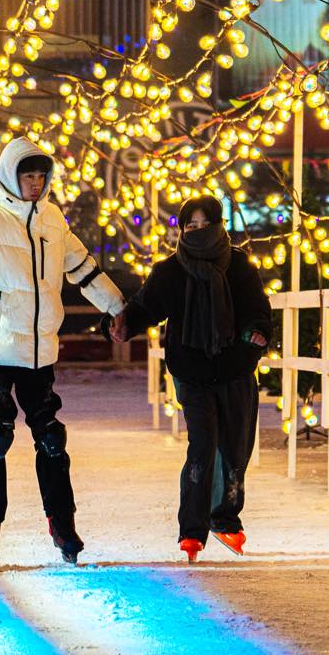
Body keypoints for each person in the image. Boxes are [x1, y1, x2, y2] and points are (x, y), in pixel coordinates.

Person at [0, 136, 125, 567]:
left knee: (51, 437)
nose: (35, 183)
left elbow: (83, 268)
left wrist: (117, 308)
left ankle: (63, 523)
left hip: (39, 349)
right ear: (10, 174)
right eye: (27, 174)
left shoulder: (52, 220)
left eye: (41, 175)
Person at [110, 196, 271, 561]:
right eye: (190, 226)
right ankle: (192, 530)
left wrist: (256, 332)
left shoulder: (240, 266)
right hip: (193, 372)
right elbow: (145, 306)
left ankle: (225, 517)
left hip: (234, 369)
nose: (197, 232)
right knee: (202, 444)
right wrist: (123, 326)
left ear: (219, 227)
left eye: (204, 225)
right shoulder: (171, 270)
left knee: (234, 448)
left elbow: (257, 310)